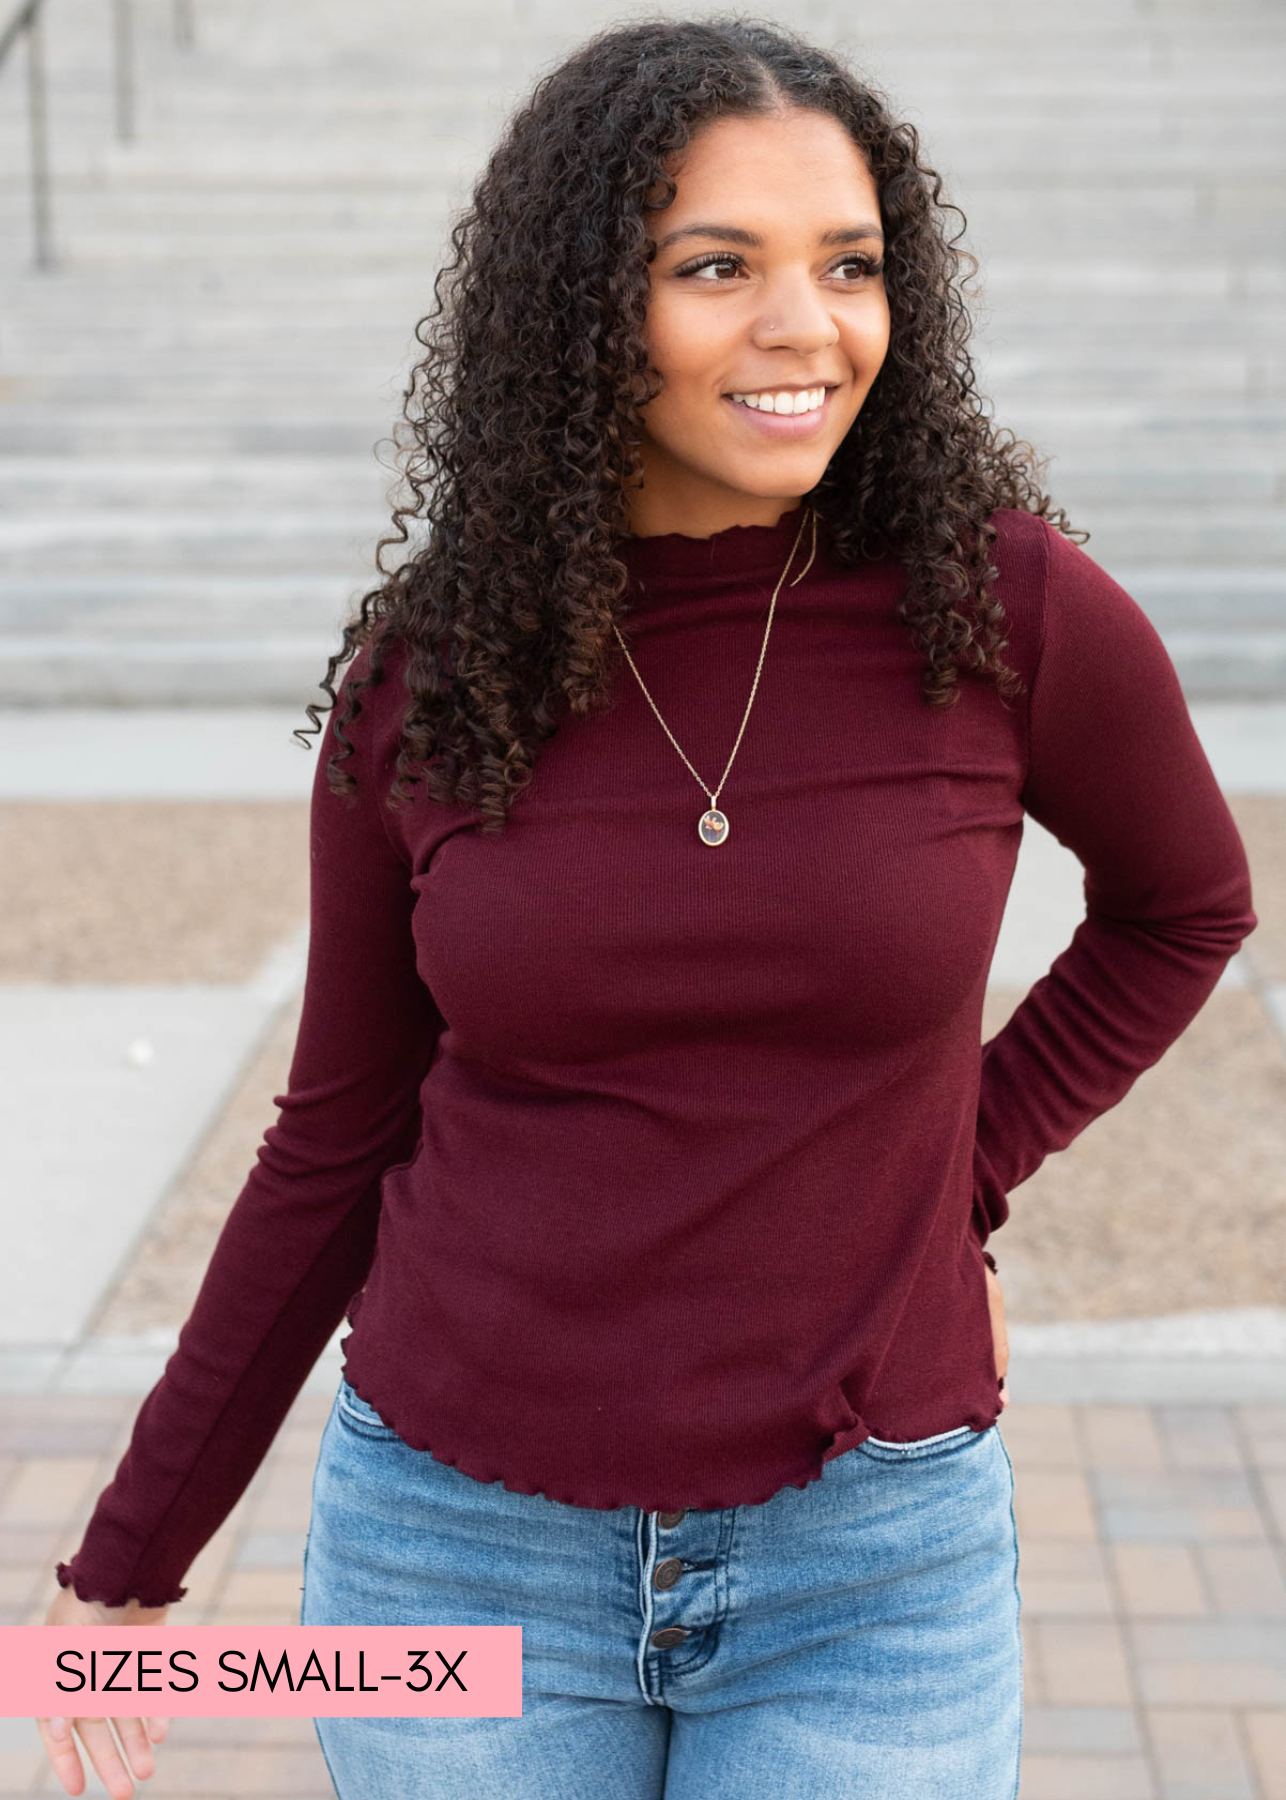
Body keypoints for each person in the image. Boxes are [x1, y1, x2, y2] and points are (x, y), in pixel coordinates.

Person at [36, 15, 1257, 1800]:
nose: (805, 328)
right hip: (455, 1546)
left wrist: (954, 1172)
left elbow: (1181, 909)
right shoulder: (432, 672)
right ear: (580, 314)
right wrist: (125, 1567)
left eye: (850, 265)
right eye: (715, 268)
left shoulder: (1002, 613)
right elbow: (340, 1134)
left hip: (872, 1568)